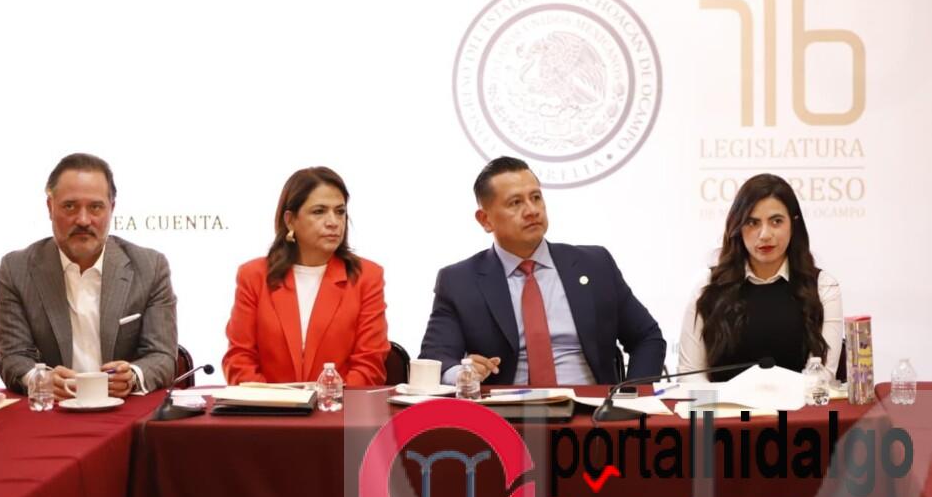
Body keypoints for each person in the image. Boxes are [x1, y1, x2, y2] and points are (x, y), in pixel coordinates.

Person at [420, 156, 666, 386]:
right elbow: (434, 359)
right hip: (504, 413)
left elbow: (647, 337)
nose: (532, 210)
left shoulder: (595, 264)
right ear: (485, 220)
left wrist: (630, 398)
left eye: (536, 197)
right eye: (515, 203)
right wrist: (462, 373)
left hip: (592, 410)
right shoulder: (460, 281)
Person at [0, 153, 178, 397]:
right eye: (70, 206)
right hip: (55, 409)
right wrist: (41, 380)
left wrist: (133, 375)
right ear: (50, 207)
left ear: (111, 209)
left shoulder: (150, 267)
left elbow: (162, 356)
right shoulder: (16, 269)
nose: (83, 220)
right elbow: (12, 356)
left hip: (123, 408)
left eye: (95, 207)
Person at [223, 167, 389, 386]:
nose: (333, 222)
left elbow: (369, 366)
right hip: (267, 406)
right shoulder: (253, 276)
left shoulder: (366, 277)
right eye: (319, 211)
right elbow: (239, 360)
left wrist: (328, 400)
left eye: (340, 211)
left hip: (339, 405)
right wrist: (273, 402)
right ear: (290, 220)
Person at [677, 173, 843, 382]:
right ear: (737, 227)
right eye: (752, 223)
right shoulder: (708, 285)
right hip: (725, 403)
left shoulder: (823, 286)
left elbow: (823, 377)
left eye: (776, 221)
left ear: (794, 224)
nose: (764, 234)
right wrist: (725, 401)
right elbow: (689, 374)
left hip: (796, 403)